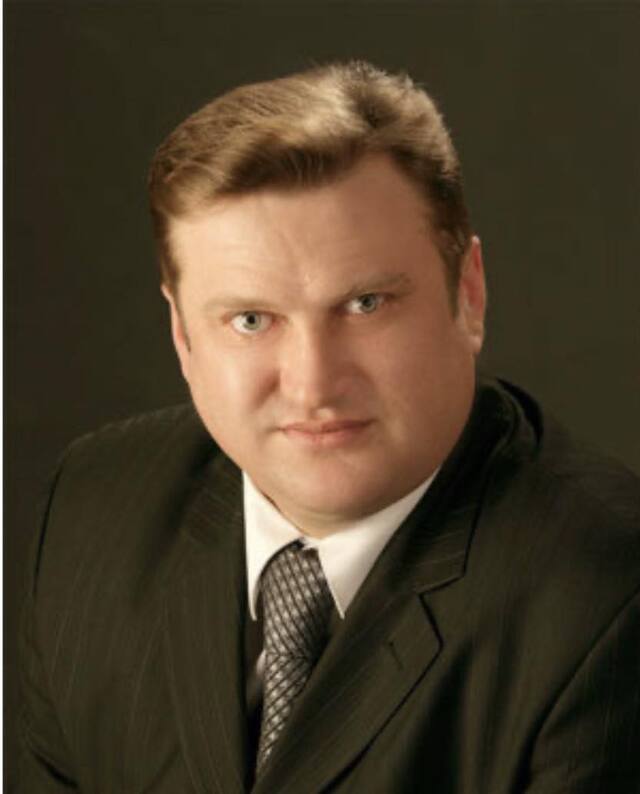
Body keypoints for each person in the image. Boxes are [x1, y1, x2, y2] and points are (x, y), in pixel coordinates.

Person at [19, 61, 640, 793]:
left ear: (467, 295)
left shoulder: (608, 604)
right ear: (182, 334)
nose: (313, 384)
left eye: (366, 304)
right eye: (251, 320)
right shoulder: (93, 510)